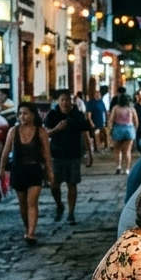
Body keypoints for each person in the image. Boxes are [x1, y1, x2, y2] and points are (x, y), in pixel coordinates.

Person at [0, 103, 55, 246]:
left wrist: (49, 171)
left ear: (32, 115)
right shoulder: (13, 131)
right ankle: (28, 228)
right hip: (18, 171)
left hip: (35, 171)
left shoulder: (40, 131)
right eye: (20, 114)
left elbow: (47, 154)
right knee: (23, 204)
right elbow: (5, 152)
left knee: (32, 202)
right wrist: (1, 169)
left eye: (26, 113)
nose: (22, 116)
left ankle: (31, 233)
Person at [44, 89, 93, 225]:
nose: (65, 103)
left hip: (74, 154)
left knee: (72, 183)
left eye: (67, 100)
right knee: (54, 185)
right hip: (56, 154)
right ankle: (59, 204)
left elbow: (85, 135)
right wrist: (57, 129)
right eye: (62, 100)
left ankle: (71, 213)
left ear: (72, 101)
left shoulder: (77, 115)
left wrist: (89, 153)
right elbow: (46, 134)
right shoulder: (53, 115)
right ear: (58, 101)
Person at [108, 94, 138, 176]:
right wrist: (135, 129)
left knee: (117, 150)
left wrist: (110, 129)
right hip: (129, 129)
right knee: (127, 151)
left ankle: (118, 167)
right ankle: (127, 169)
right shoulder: (131, 108)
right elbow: (136, 120)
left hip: (118, 129)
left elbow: (111, 119)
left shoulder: (115, 108)